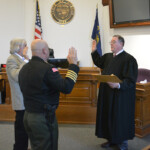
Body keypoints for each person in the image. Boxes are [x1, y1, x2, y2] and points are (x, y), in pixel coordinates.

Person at [18, 39, 79, 150]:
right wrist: (73, 65)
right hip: (43, 118)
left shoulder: (24, 68)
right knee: (48, 146)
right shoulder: (48, 69)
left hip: (27, 116)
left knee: (36, 146)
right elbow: (66, 87)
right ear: (45, 51)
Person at [91, 35, 138, 150]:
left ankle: (122, 142)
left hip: (120, 96)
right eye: (110, 42)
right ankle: (111, 140)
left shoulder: (129, 59)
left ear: (121, 44)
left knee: (119, 118)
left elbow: (131, 80)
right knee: (108, 116)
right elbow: (98, 62)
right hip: (107, 94)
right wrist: (94, 52)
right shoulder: (108, 56)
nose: (111, 44)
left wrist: (118, 85)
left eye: (113, 42)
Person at [6, 38, 29, 150]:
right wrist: (25, 61)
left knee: (26, 128)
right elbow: (16, 76)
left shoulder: (22, 59)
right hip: (20, 100)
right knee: (21, 129)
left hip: (28, 99)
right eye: (25, 45)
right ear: (18, 47)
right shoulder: (11, 59)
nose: (27, 47)